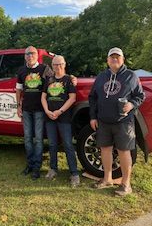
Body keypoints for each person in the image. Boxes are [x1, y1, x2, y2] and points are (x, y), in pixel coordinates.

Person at [89, 47, 145, 196]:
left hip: (123, 121)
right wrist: (93, 116)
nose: (114, 59)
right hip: (103, 121)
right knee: (105, 149)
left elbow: (140, 95)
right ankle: (107, 178)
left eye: (117, 57)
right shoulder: (101, 77)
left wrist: (132, 104)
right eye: (111, 57)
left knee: (124, 151)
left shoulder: (130, 76)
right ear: (107, 60)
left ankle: (126, 184)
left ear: (122, 59)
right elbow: (93, 97)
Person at [41, 55, 80, 187]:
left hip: (63, 117)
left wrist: (60, 111)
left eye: (60, 64)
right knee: (52, 144)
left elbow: (72, 98)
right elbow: (43, 97)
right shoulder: (49, 79)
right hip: (49, 117)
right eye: (55, 65)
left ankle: (74, 174)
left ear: (64, 64)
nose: (57, 67)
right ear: (52, 66)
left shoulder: (69, 80)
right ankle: (53, 169)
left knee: (68, 145)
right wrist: (47, 111)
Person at [16, 46, 54, 180]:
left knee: (38, 139)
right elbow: (19, 90)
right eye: (27, 54)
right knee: (27, 138)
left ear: (37, 55)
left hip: (39, 109)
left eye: (32, 53)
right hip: (26, 109)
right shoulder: (21, 70)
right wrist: (18, 105)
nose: (29, 56)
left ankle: (37, 167)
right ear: (25, 56)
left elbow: (56, 78)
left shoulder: (44, 69)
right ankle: (30, 164)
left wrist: (72, 78)